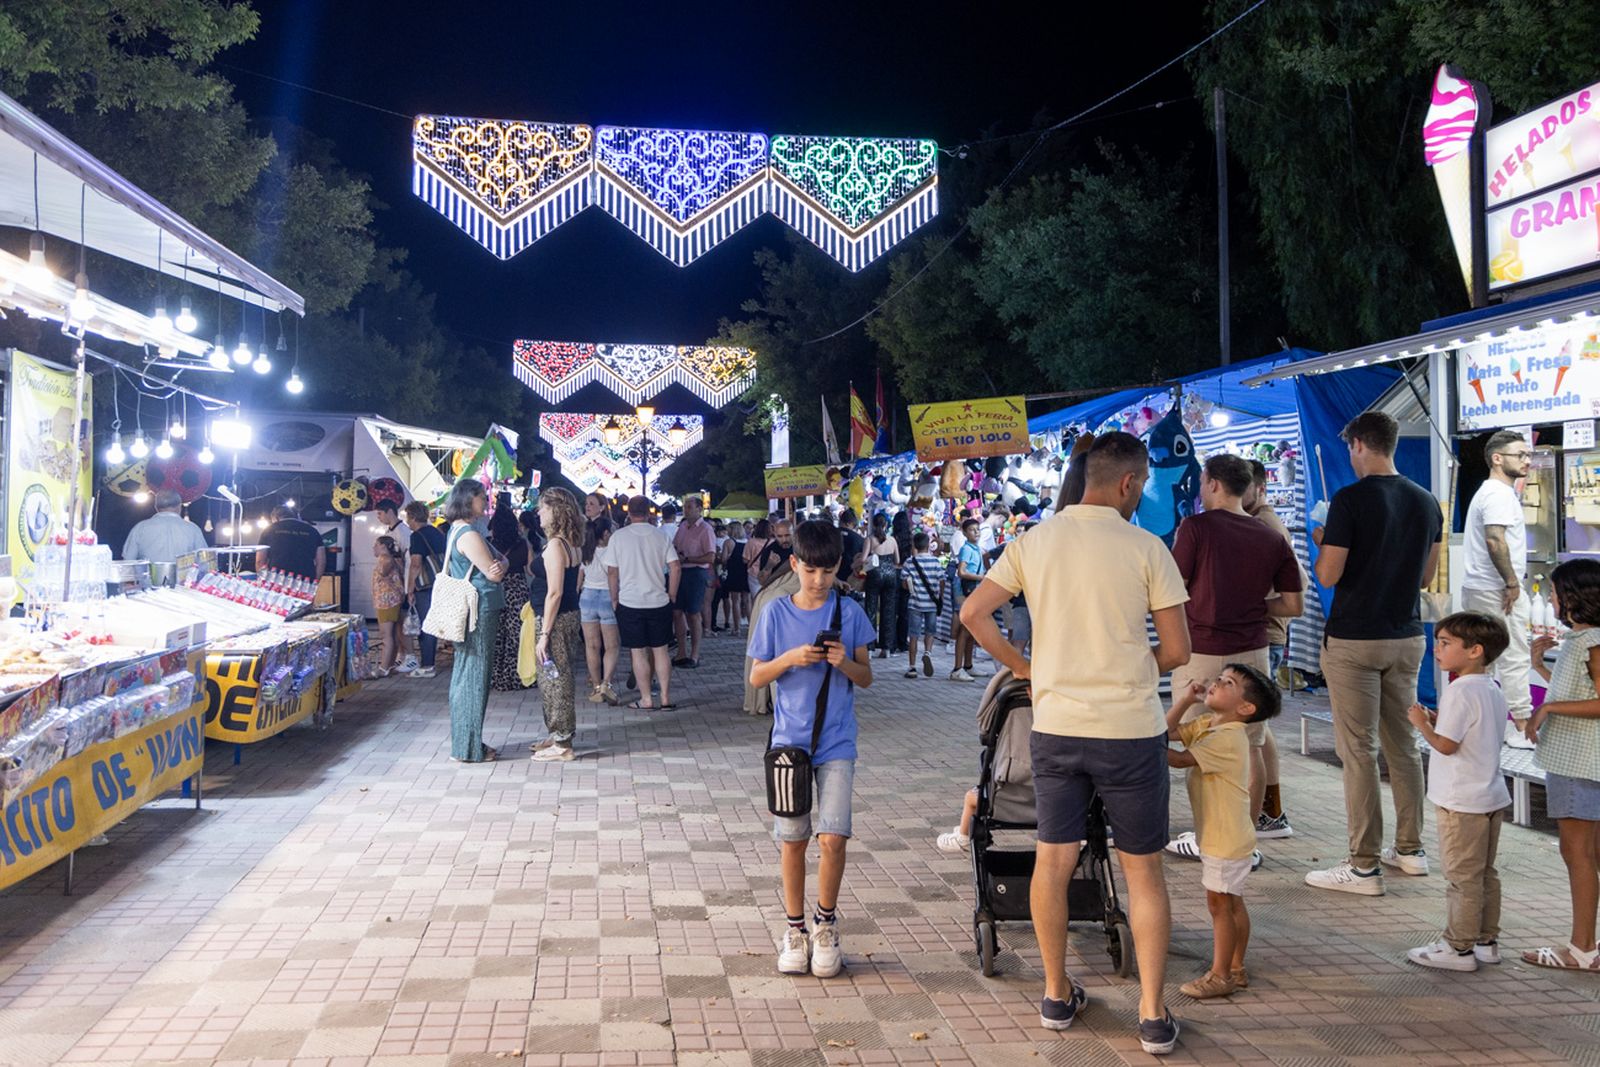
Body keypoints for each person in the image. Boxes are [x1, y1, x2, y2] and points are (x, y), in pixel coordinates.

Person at [961, 432, 1189, 1055]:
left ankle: (1057, 995)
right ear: (1128, 484)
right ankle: (1150, 1013)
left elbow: (973, 614)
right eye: (1141, 486)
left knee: (1052, 862)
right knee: (1143, 874)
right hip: (1131, 734)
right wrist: (1138, 661)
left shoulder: (1033, 542)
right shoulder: (1148, 549)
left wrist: (1023, 665)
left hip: (1055, 729)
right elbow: (1177, 651)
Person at [1306, 412, 1443, 897]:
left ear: (1360, 444)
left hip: (1354, 639)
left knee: (1358, 750)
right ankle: (1411, 849)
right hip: (1406, 635)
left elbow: (1327, 575)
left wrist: (1322, 539)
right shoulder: (1427, 502)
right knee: (1403, 745)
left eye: (1350, 448)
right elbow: (1427, 578)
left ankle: (1363, 865)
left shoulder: (1348, 501)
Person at [748, 520, 874, 978]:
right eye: (810, 571)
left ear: (838, 566)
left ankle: (826, 924)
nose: (818, 581)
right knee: (793, 840)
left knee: (834, 836)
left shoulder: (850, 612)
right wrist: (790, 659)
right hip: (789, 746)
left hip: (837, 742)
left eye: (827, 571)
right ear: (795, 564)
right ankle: (794, 929)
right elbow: (757, 676)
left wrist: (844, 663)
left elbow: (867, 676)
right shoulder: (776, 613)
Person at [1165, 455, 1303, 856]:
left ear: (1212, 484)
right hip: (1253, 653)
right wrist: (1257, 608)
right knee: (1252, 745)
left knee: (1195, 742)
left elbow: (1173, 588)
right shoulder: (1271, 537)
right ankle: (1245, 838)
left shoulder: (1195, 529)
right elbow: (1293, 605)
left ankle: (1210, 837)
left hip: (1201, 652)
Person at [1404, 611, 1513, 972]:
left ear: (1474, 651)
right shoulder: (1491, 688)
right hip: (1491, 796)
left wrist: (1422, 725)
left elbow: (1447, 745)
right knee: (1485, 873)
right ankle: (1486, 940)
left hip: (1460, 800)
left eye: (1446, 643)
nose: (1437, 649)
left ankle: (1458, 947)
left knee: (1461, 877)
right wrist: (1437, 721)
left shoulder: (1459, 690)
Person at [1165, 664, 1280, 999]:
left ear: (1245, 708)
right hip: (1229, 835)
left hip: (1225, 838)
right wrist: (1187, 700)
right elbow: (1168, 731)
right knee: (1231, 903)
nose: (1217, 682)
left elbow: (1176, 757)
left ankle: (1220, 975)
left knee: (1219, 905)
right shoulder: (1210, 723)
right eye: (1220, 677)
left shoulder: (1227, 737)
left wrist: (1132, 745)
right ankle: (1235, 967)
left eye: (1228, 683)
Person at [1523, 559, 1600, 971]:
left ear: (1573, 597)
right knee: (1590, 854)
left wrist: (1548, 707)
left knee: (1578, 854)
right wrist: (1540, 664)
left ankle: (1582, 948)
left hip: (1579, 762)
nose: (1550, 599)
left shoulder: (1590, 641)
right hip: (1581, 760)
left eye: (1554, 592)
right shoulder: (1579, 640)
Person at [1461, 431, 1535, 748]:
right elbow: (1495, 539)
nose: (1527, 461)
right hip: (1496, 590)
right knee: (1514, 655)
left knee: (1481, 661)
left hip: (1482, 588)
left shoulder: (1489, 492)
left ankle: (1481, 725)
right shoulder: (1498, 495)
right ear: (1497, 458)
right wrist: (1511, 582)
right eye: (1520, 454)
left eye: (1528, 454)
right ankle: (1521, 727)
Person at [1244, 459, 1300, 837]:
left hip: (1267, 633)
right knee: (1257, 729)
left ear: (1260, 487)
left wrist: (1255, 606)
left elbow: (1295, 583)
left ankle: (1270, 813)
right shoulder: (1258, 520)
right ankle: (1270, 811)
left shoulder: (1264, 524)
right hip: (1267, 632)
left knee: (1256, 730)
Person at [443, 480, 507, 763]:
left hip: (471, 609)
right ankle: (469, 747)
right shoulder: (469, 533)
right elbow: (494, 572)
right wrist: (501, 566)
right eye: (482, 497)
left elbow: (501, 561)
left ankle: (466, 743)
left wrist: (501, 564)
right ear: (468, 499)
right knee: (475, 677)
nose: (486, 501)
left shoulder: (461, 530)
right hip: (479, 609)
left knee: (466, 674)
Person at [608, 495, 680, 710]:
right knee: (661, 650)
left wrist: (614, 598)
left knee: (638, 652)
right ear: (649, 512)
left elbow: (612, 571)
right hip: (658, 600)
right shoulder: (660, 536)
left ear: (628, 512)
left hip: (630, 601)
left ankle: (646, 698)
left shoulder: (619, 537)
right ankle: (665, 697)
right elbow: (675, 566)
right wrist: (672, 594)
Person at [530, 488, 585, 762]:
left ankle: (562, 742)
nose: (539, 512)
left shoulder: (555, 545)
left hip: (555, 620)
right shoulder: (570, 541)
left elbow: (555, 592)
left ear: (556, 511)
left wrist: (544, 633)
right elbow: (576, 581)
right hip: (567, 616)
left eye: (543, 507)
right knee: (557, 676)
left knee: (555, 679)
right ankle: (558, 734)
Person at [487, 500, 532, 692]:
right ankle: (516, 677)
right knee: (516, 635)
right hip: (518, 589)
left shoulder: (489, 544)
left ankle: (496, 677)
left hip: (496, 589)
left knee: (496, 634)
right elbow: (531, 569)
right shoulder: (523, 543)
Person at [579, 515, 621, 704]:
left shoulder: (586, 550)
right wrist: (615, 599)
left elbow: (579, 577)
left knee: (592, 646)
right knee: (611, 646)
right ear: (605, 533)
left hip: (587, 597)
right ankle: (606, 684)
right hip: (606, 597)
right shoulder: (613, 551)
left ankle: (596, 687)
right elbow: (614, 574)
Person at [403, 502, 447, 679]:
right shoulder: (437, 532)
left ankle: (428, 665)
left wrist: (410, 588)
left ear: (413, 517)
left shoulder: (417, 536)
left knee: (426, 624)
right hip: (441, 583)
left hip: (426, 585)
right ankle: (430, 662)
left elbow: (416, 564)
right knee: (435, 623)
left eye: (407, 516)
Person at [672, 496, 716, 669]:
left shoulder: (705, 529)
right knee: (676, 612)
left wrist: (689, 558)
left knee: (693, 613)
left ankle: (694, 655)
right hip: (681, 572)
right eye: (685, 506)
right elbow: (674, 546)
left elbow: (711, 556)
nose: (686, 509)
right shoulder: (683, 526)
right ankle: (681, 652)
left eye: (689, 506)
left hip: (696, 572)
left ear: (699, 509)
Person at [374, 501, 415, 672]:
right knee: (397, 626)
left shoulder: (403, 532)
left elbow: (409, 560)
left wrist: (408, 586)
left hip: (398, 588)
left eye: (380, 514)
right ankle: (401, 656)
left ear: (390, 511)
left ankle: (410, 657)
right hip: (396, 588)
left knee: (401, 625)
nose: (379, 517)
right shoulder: (390, 531)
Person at [120, 488, 207, 563]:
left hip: (147, 582)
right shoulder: (193, 529)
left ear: (156, 507)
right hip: (184, 582)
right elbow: (205, 560)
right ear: (179, 506)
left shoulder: (140, 528)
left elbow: (128, 561)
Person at [902, 530, 944, 680]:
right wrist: (939, 596)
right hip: (931, 604)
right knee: (930, 632)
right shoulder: (935, 562)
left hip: (915, 603)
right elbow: (941, 581)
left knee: (913, 635)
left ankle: (912, 667)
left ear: (915, 545)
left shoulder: (909, 562)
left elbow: (905, 584)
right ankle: (927, 652)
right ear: (928, 545)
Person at [950, 518, 986, 682]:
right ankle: (957, 668)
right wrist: (981, 577)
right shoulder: (966, 549)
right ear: (964, 533)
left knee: (971, 629)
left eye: (977, 529)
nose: (976, 532)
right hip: (965, 592)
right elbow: (961, 572)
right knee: (965, 629)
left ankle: (968, 665)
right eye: (972, 529)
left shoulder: (976, 548)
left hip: (973, 591)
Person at [863, 513, 900, 659]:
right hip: (891, 575)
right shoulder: (892, 540)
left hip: (875, 575)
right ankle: (887, 648)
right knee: (889, 610)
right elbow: (897, 560)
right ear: (886, 525)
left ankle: (870, 648)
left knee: (871, 609)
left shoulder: (870, 540)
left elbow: (864, 559)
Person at [256, 505, 324, 583]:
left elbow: (260, 561)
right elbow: (321, 561)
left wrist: (263, 581)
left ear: (276, 518)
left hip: (277, 580)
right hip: (305, 580)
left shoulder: (269, 530)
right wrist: (315, 582)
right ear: (297, 516)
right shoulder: (313, 531)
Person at [370, 534, 406, 677]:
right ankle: (389, 665)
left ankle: (383, 667)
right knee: (393, 634)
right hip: (391, 600)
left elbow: (384, 573)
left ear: (384, 547)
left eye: (376, 545)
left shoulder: (386, 560)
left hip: (386, 601)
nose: (373, 548)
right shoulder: (392, 560)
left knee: (386, 635)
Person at [717, 521, 751, 636]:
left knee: (735, 601)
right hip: (745, 573)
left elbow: (723, 560)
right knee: (746, 601)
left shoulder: (729, 542)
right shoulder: (748, 542)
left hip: (733, 573)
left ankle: (736, 628)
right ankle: (751, 627)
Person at [891, 510, 914, 653]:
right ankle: (902, 642)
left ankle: (891, 641)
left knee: (892, 610)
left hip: (894, 572)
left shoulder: (893, 538)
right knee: (904, 612)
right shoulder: (911, 539)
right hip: (907, 575)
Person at [756, 520, 794, 588]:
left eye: (787, 535)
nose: (784, 540)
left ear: (793, 533)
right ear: (775, 535)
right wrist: (769, 566)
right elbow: (762, 582)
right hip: (778, 591)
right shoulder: (769, 551)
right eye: (780, 536)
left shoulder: (801, 547)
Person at [745, 519, 773, 593]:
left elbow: (745, 559)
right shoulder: (773, 542)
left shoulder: (751, 542)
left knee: (756, 598)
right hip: (769, 573)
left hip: (754, 573)